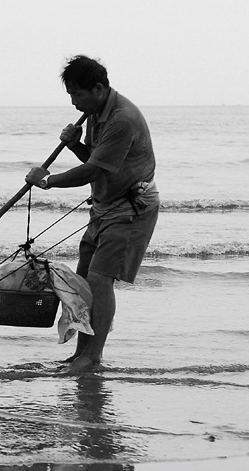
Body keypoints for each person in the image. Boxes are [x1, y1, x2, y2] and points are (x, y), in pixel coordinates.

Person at [25, 56, 159, 372]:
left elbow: (93, 170)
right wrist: (74, 145)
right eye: (70, 95)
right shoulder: (97, 114)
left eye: (77, 95)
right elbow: (99, 161)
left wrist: (46, 180)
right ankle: (79, 355)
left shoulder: (121, 119)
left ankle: (92, 358)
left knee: (99, 281)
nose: (73, 103)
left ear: (98, 88)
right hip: (103, 206)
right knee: (83, 281)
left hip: (130, 208)